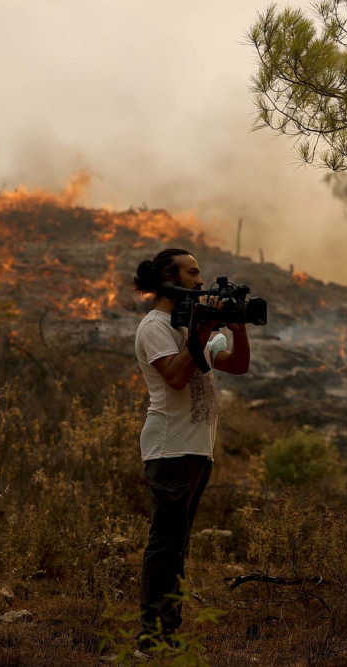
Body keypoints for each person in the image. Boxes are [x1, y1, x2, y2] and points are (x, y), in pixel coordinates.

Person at [131, 248, 251, 656]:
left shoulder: (190, 322)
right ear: (169, 277)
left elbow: (237, 365)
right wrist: (200, 333)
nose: (201, 280)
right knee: (165, 544)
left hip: (198, 449)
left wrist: (238, 330)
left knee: (178, 545)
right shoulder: (156, 327)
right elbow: (178, 378)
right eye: (192, 272)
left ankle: (168, 635)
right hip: (170, 448)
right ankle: (149, 641)